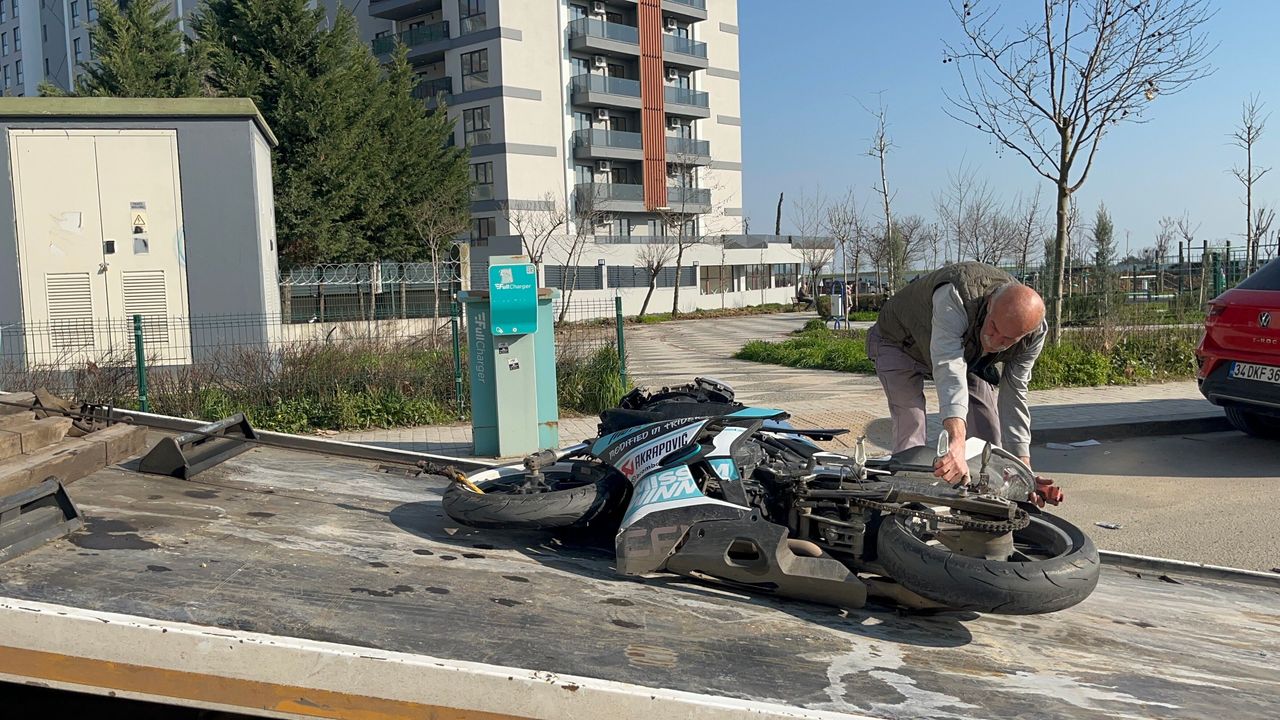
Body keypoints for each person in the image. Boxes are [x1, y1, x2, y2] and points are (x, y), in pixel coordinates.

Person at [866, 262, 1049, 490]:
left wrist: (1023, 470)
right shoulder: (957, 295)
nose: (994, 340)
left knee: (989, 433)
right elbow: (948, 367)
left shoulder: (1034, 335)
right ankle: (907, 489)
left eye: (1007, 339)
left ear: (1024, 335)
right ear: (990, 304)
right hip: (898, 340)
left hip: (965, 351)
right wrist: (956, 440)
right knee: (911, 419)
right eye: (993, 327)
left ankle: (986, 490)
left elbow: (1015, 394)